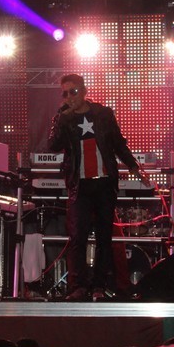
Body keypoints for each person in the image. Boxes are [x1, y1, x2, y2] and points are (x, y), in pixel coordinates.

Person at [47, 74, 150, 301]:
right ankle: (78, 286)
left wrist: (134, 167)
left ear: (84, 91)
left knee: (104, 237)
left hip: (104, 183)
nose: (69, 97)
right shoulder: (64, 119)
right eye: (65, 93)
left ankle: (99, 286)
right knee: (78, 237)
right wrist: (61, 120)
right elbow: (52, 145)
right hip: (80, 185)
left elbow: (118, 144)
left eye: (73, 92)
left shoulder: (103, 115)